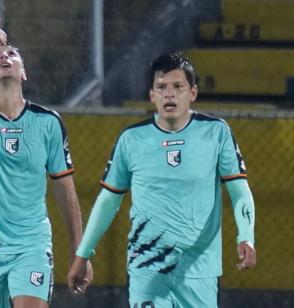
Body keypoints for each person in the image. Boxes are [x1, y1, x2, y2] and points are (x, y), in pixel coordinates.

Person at [68, 51, 257, 308]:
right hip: (147, 266)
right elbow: (108, 201)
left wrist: (245, 235)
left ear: (193, 93)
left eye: (178, 86)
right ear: (151, 95)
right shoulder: (132, 139)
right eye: (161, 87)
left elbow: (239, 189)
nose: (169, 93)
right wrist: (83, 253)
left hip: (199, 268)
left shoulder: (216, 132)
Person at [0, 19, 93, 308]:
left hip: (30, 246)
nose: (4, 57)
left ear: (24, 73)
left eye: (12, 55)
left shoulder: (48, 123)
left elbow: (65, 191)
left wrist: (79, 251)